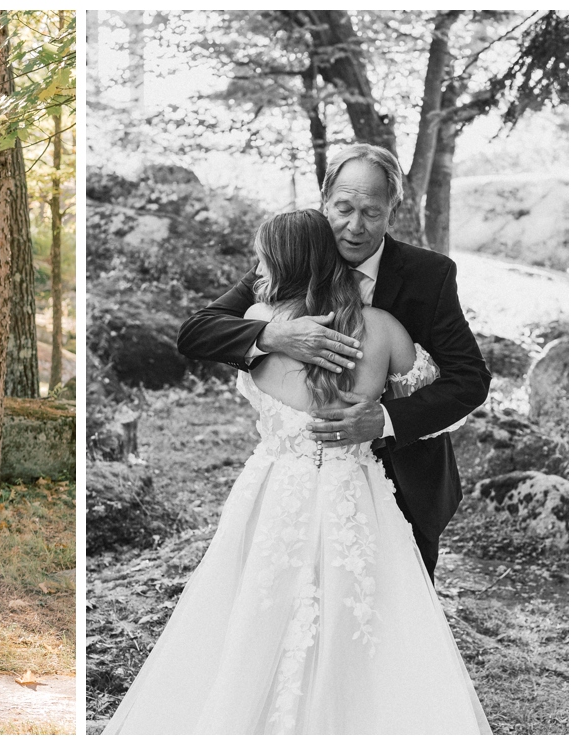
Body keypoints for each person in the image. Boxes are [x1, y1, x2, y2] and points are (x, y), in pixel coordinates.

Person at [105, 210, 490, 734]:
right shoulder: (382, 328)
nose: (256, 268)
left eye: (262, 259)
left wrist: (381, 415)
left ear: (279, 262)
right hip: (356, 491)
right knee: (364, 611)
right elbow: (443, 388)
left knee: (256, 606)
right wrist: (377, 399)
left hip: (275, 488)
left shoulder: (260, 318)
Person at [177, 144, 490, 577]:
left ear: (391, 211)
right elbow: (197, 331)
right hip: (299, 487)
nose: (354, 226)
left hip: (406, 477)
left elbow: (470, 378)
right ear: (325, 202)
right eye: (343, 208)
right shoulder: (293, 256)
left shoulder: (430, 275)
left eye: (371, 212)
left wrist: (384, 419)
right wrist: (273, 335)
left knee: (399, 616)